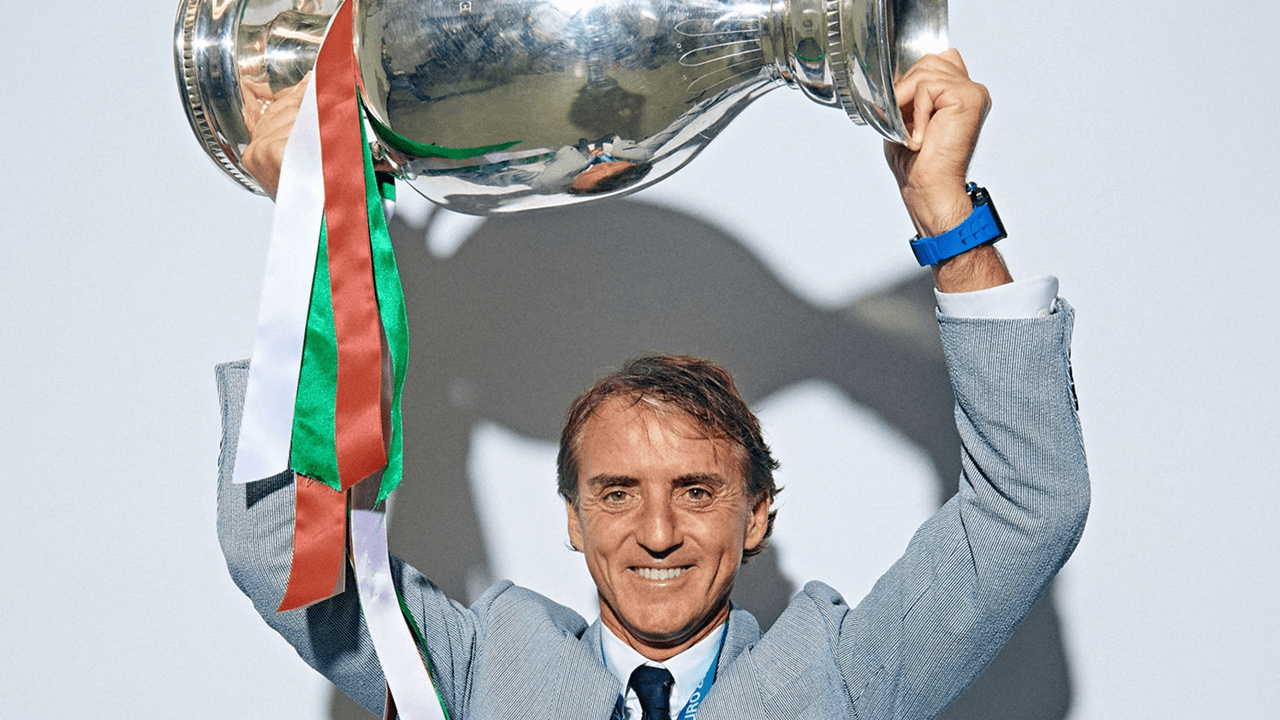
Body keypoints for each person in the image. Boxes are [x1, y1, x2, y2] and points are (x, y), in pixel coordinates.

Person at [218, 49, 1089, 718]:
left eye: (698, 490)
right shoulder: (483, 677)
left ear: (759, 514)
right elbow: (278, 553)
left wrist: (946, 213)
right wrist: (320, 243)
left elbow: (1027, 510)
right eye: (618, 491)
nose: (660, 533)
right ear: (574, 518)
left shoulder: (841, 680)